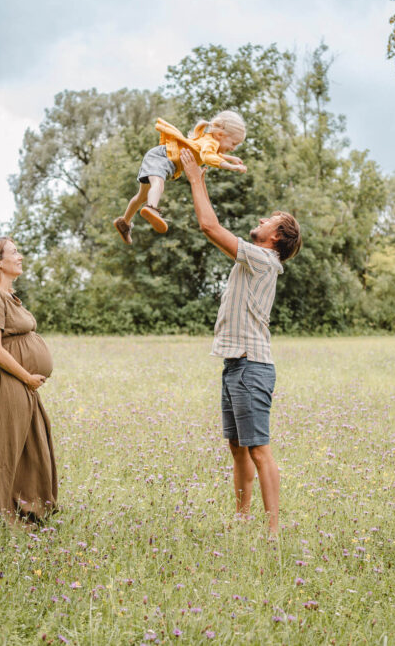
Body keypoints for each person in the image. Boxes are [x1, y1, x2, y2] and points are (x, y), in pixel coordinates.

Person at [178, 148, 302, 536]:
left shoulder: (264, 260)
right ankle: (242, 517)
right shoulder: (254, 259)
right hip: (236, 364)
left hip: (251, 366)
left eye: (270, 220)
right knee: (237, 448)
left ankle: (273, 531)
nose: (262, 220)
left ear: (276, 237)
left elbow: (210, 227)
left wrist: (196, 177)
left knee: (259, 449)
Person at [0, 237, 57, 526]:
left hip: (20, 382)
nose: (20, 256)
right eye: (14, 252)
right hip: (7, 381)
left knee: (29, 445)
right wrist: (27, 376)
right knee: (2, 446)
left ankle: (28, 509)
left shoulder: (7, 296)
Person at [113, 111, 248, 244]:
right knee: (158, 184)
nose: (234, 148)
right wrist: (231, 167)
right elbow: (208, 157)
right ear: (220, 134)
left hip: (160, 156)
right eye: (234, 143)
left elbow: (209, 153)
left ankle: (124, 223)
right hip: (163, 157)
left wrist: (231, 158)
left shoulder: (209, 140)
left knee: (142, 196)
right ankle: (152, 208)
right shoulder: (211, 143)